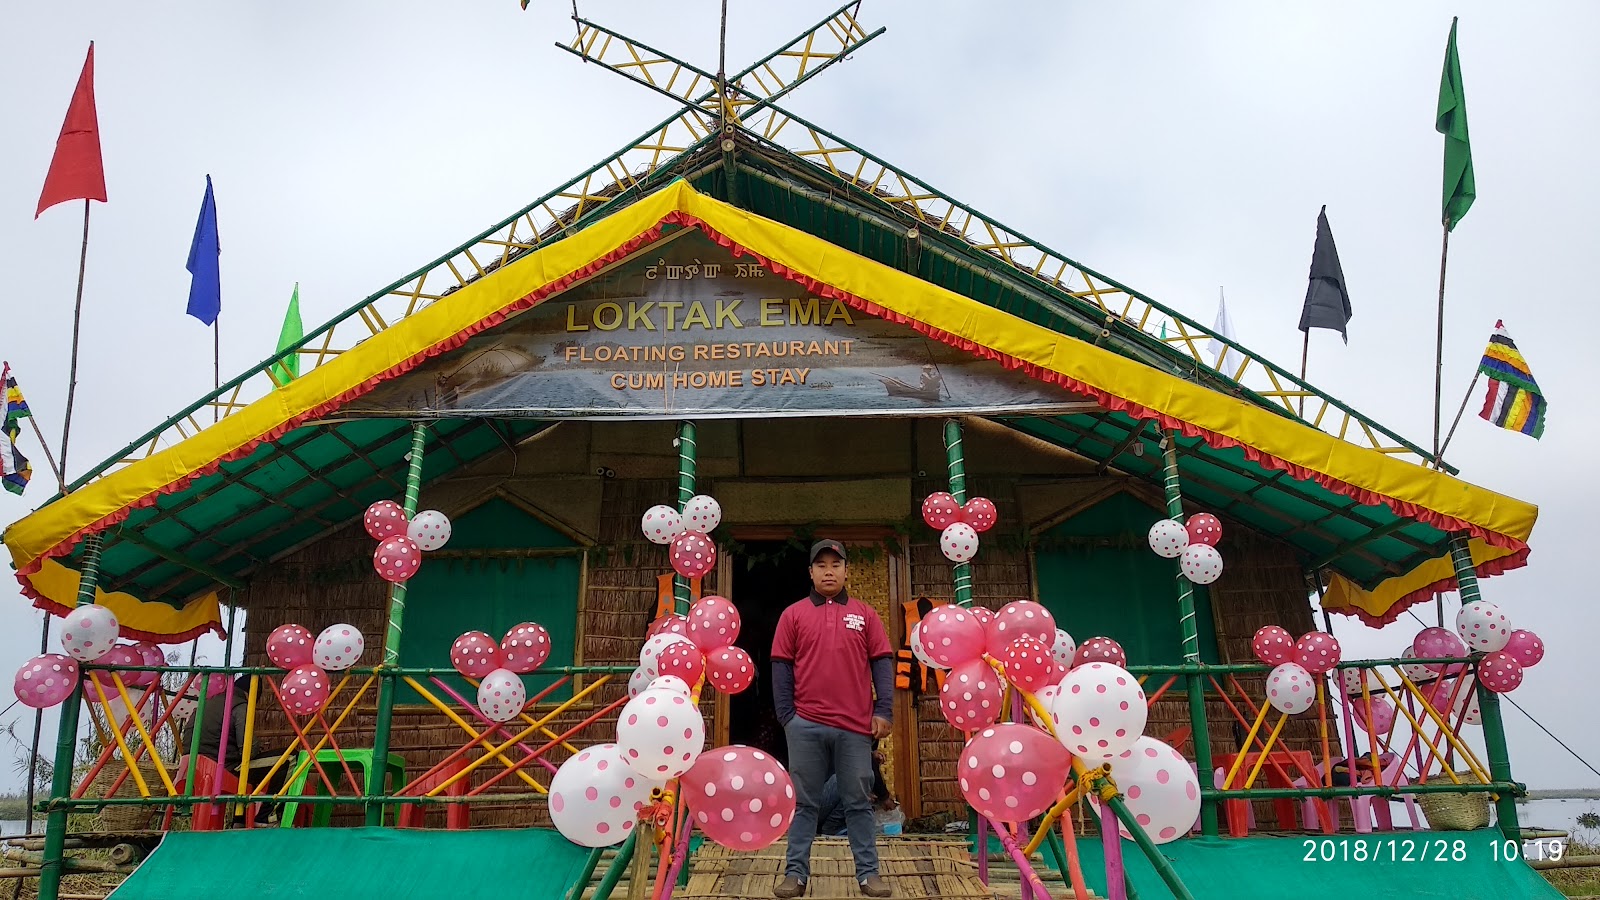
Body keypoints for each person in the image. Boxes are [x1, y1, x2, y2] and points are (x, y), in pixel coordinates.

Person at [771, 540, 895, 899]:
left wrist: (883, 710)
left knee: (858, 801)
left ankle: (868, 876)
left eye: (835, 565)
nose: (828, 571)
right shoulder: (792, 615)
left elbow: (882, 663)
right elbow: (781, 666)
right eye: (821, 565)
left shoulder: (865, 614)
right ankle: (795, 875)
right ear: (810, 572)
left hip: (854, 727)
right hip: (805, 725)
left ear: (846, 571)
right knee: (805, 803)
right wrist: (787, 717)